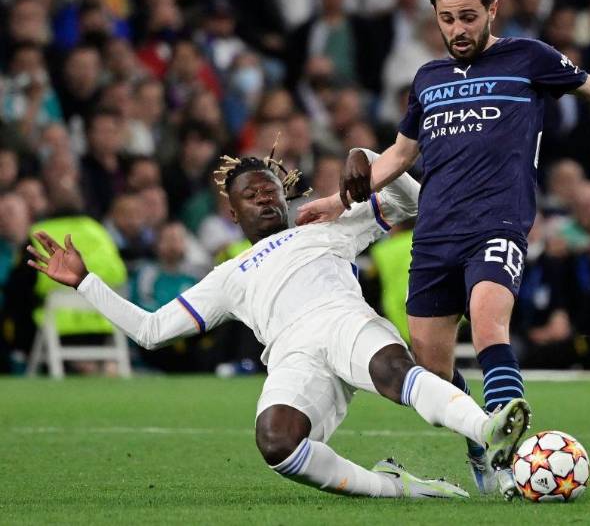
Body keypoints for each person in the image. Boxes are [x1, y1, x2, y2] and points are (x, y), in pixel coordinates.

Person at [297, 0, 590, 496]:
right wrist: (337, 201)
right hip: (435, 232)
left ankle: (517, 461)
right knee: (431, 370)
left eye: (468, 16)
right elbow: (400, 154)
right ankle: (481, 448)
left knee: (490, 324)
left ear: (492, 10)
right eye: (447, 19)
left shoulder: (528, 58)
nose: (458, 30)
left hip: (498, 221)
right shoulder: (427, 79)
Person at [27, 149, 528, 500]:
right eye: (252, 195)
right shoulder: (226, 275)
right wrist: (85, 282)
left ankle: (487, 429)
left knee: (394, 370)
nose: (266, 199)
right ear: (232, 209)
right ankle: (399, 488)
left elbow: (415, 202)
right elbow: (151, 331)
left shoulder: (325, 225)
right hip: (292, 355)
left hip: (342, 319)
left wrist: (369, 158)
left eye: (271, 191)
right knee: (276, 442)